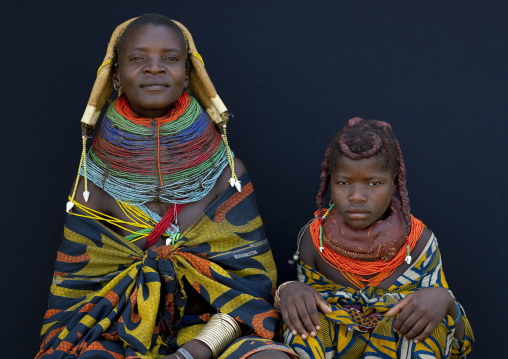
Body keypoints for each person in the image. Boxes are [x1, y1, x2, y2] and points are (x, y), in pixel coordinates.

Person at [36, 14, 296, 359]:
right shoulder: (91, 186)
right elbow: (77, 295)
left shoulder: (225, 174)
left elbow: (250, 288)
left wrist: (195, 352)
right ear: (115, 74)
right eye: (137, 58)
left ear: (188, 75)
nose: (154, 68)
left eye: (170, 59)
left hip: (209, 332)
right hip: (116, 333)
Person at [277, 118, 474, 358]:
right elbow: (305, 308)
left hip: (401, 345)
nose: (357, 196)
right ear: (329, 182)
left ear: (394, 184)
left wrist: (445, 301)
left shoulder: (420, 242)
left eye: (374, 183)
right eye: (343, 182)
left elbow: (455, 337)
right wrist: (291, 290)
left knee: (424, 328)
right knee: (304, 329)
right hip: (338, 346)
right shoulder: (315, 239)